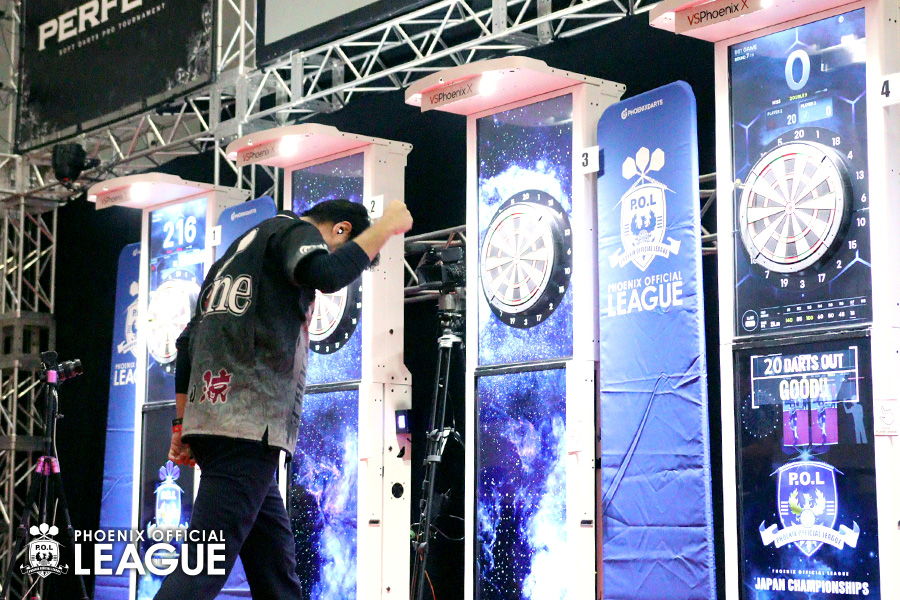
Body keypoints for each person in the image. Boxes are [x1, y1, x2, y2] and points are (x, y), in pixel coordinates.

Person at [154, 198, 413, 600]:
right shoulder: (295, 231)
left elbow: (187, 343)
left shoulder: (233, 257)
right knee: (201, 570)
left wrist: (180, 425)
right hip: (246, 431)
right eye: (343, 248)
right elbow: (325, 273)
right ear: (341, 230)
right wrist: (387, 226)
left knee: (275, 570)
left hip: (224, 429)